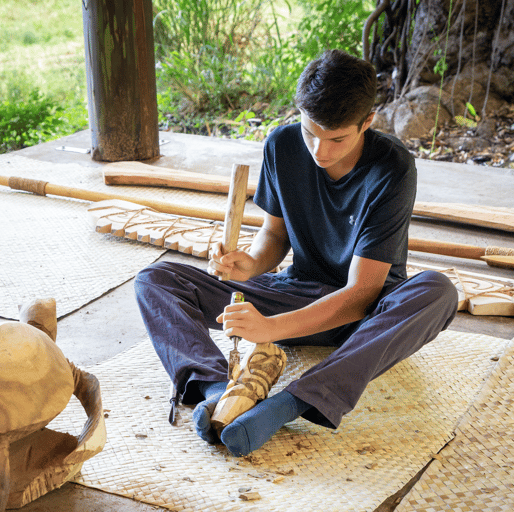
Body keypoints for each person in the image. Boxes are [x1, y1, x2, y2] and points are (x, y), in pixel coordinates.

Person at [134, 49, 459, 457]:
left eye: (337, 138)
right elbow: (274, 233)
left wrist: (271, 330)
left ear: (367, 123)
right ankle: (220, 390)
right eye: (311, 132)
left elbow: (360, 293)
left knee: (438, 291)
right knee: (156, 279)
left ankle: (290, 403)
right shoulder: (283, 145)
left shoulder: (392, 168)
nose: (319, 151)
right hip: (295, 291)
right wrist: (250, 264)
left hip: (368, 316)